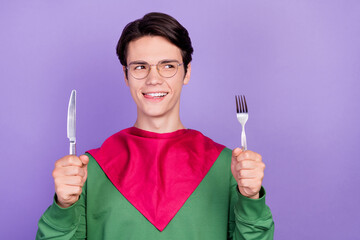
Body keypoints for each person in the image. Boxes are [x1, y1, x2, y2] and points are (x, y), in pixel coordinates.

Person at [36, 12, 274, 239]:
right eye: (140, 66)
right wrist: (63, 207)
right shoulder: (88, 171)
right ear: (125, 75)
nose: (153, 79)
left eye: (168, 65)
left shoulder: (229, 168)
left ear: (187, 72)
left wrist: (251, 198)